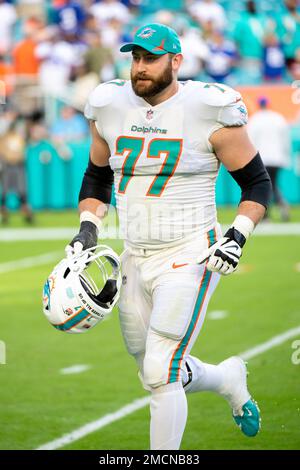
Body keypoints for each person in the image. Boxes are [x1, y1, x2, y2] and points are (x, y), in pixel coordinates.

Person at [67, 23, 272, 450]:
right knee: (154, 369)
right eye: (135, 58)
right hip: (134, 254)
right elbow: (97, 177)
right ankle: (227, 378)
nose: (140, 68)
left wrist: (237, 235)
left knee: (160, 371)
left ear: (176, 61)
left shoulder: (208, 108)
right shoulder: (108, 103)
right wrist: (87, 230)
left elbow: (256, 184)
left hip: (190, 254)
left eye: (151, 58)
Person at [248, 97, 290, 221]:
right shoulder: (278, 118)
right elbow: (285, 140)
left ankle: (266, 215)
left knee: (263, 186)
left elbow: (250, 140)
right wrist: (285, 157)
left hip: (261, 159)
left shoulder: (255, 119)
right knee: (273, 183)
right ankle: (281, 204)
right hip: (277, 158)